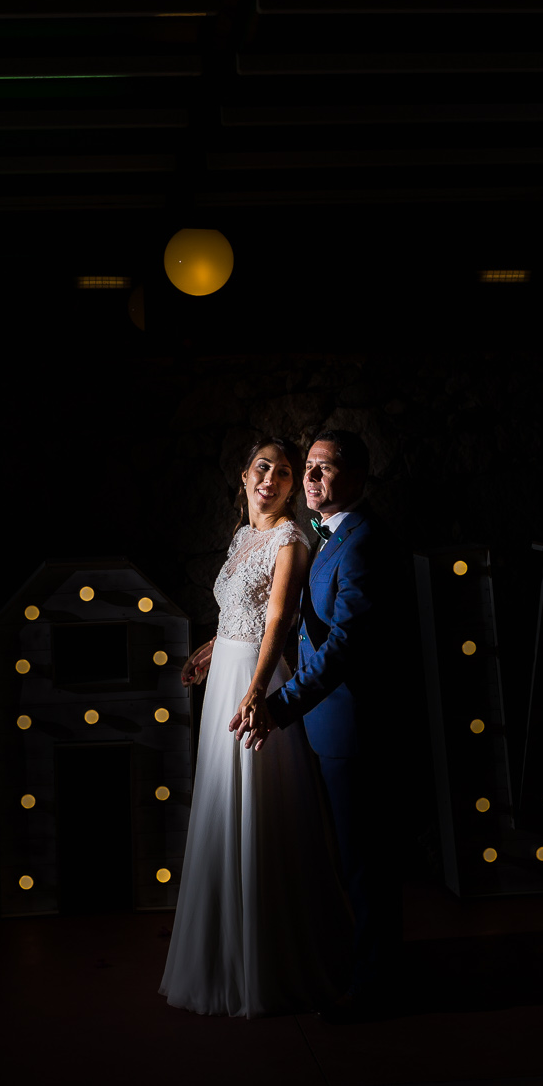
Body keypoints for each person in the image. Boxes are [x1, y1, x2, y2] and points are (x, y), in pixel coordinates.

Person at [158, 436, 355, 1018]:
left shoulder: (290, 540)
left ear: (292, 487)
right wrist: (216, 646)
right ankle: (221, 955)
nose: (272, 478)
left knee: (264, 811)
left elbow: (279, 618)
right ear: (244, 477)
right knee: (222, 806)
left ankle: (269, 960)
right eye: (263, 468)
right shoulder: (242, 537)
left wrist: (254, 689)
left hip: (259, 680)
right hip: (230, 671)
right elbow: (239, 610)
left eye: (286, 472)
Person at [231, 428, 405, 1023]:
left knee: (366, 865)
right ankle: (361, 967)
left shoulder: (362, 542)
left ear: (356, 477)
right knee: (349, 860)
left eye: (325, 469)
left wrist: (281, 704)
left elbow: (346, 645)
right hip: (327, 729)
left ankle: (375, 986)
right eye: (309, 467)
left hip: (354, 730)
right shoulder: (328, 539)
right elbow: (291, 620)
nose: (311, 478)